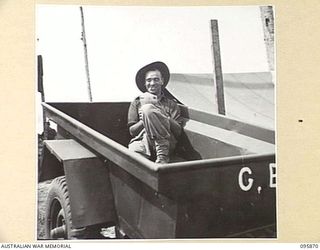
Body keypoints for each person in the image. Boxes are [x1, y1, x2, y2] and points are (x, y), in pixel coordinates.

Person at [127, 61, 182, 164]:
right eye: (149, 80)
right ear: (145, 83)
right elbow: (132, 131)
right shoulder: (137, 102)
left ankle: (162, 154)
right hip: (143, 143)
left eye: (156, 79)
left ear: (162, 81)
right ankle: (161, 155)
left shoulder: (171, 104)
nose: (152, 83)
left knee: (147, 109)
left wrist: (162, 116)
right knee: (147, 110)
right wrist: (146, 118)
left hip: (167, 144)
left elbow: (178, 131)